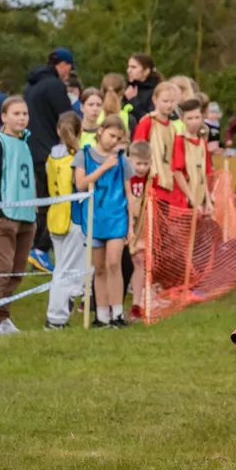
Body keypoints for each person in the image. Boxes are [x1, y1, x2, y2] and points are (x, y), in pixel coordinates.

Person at [0, 97, 38, 336]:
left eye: (25, 113)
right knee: (2, 267)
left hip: (25, 215)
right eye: (16, 113)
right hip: (5, 215)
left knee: (17, 270)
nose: (22, 118)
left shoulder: (25, 143)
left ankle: (3, 316)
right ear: (4, 116)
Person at [73, 114, 134, 328]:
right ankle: (101, 314)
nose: (114, 141)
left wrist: (131, 225)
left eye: (118, 138)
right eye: (111, 136)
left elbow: (129, 193)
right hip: (93, 218)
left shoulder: (122, 160)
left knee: (114, 263)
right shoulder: (84, 155)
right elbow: (81, 184)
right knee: (98, 268)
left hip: (116, 217)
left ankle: (117, 313)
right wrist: (103, 167)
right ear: (100, 131)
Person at [23, 47, 77, 273]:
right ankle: (40, 249)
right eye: (69, 69)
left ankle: (37, 251)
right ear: (62, 65)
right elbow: (68, 118)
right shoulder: (54, 86)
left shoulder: (30, 86)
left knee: (44, 202)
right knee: (58, 201)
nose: (68, 74)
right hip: (51, 153)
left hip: (32, 150)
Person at [45, 112, 86, 330]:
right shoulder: (78, 157)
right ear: (80, 131)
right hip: (73, 217)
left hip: (55, 216)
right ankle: (56, 317)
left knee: (61, 268)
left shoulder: (51, 156)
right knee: (68, 271)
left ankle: (60, 309)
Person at [134, 83, 180, 207]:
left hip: (167, 182)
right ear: (155, 100)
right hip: (151, 181)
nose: (169, 105)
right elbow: (137, 152)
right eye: (165, 101)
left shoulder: (173, 128)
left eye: (172, 101)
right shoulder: (148, 123)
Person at [172, 98, 215, 216]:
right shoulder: (180, 140)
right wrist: (191, 198)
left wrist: (208, 200)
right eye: (189, 118)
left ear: (202, 117)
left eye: (197, 117)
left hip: (198, 199)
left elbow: (203, 174)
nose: (194, 122)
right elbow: (177, 172)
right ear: (182, 119)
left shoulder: (202, 143)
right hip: (183, 201)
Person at [127, 141, 152, 322]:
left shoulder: (150, 179)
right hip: (125, 221)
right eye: (138, 163)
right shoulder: (126, 177)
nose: (142, 168)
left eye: (146, 164)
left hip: (141, 224)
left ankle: (136, 304)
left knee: (139, 259)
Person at [124, 53, 160, 123]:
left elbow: (151, 119)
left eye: (133, 67)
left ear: (146, 71)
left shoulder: (155, 91)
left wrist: (133, 100)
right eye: (128, 67)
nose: (128, 70)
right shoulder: (126, 87)